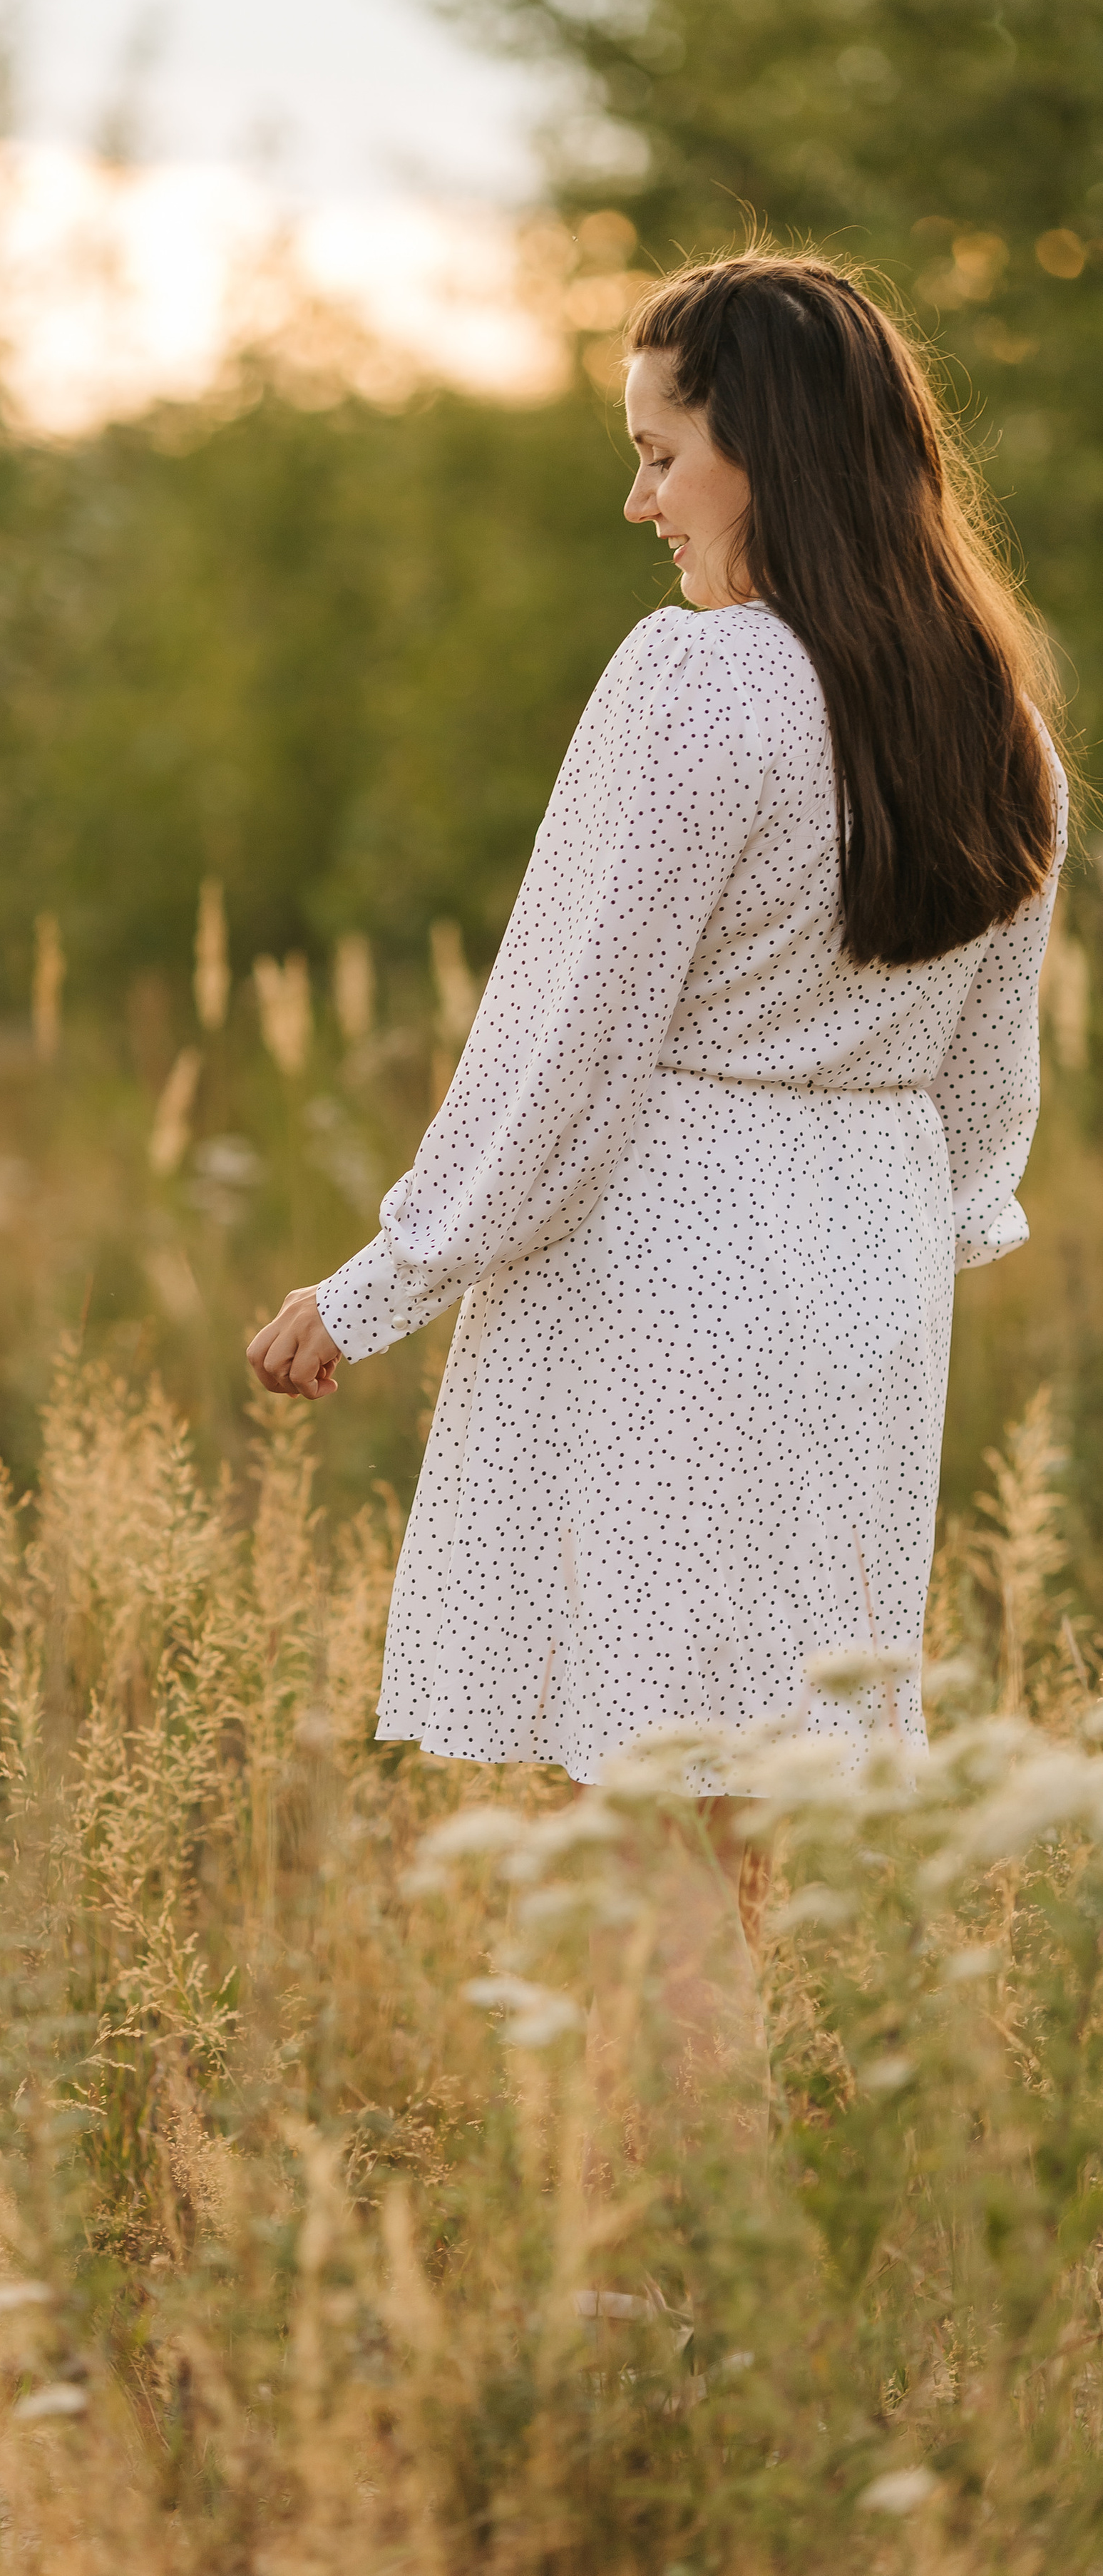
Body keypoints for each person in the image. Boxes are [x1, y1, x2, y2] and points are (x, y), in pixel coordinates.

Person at [247, 250, 1065, 2109]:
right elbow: (982, 1093)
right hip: (868, 1285)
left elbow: (571, 1041)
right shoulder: (996, 714)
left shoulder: (698, 680)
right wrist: (891, 1245)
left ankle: (690, 2210)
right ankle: (707, 2189)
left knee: (644, 1804)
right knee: (738, 1790)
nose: (638, 504)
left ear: (764, 451)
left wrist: (379, 1282)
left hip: (676, 1274)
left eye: (658, 456)